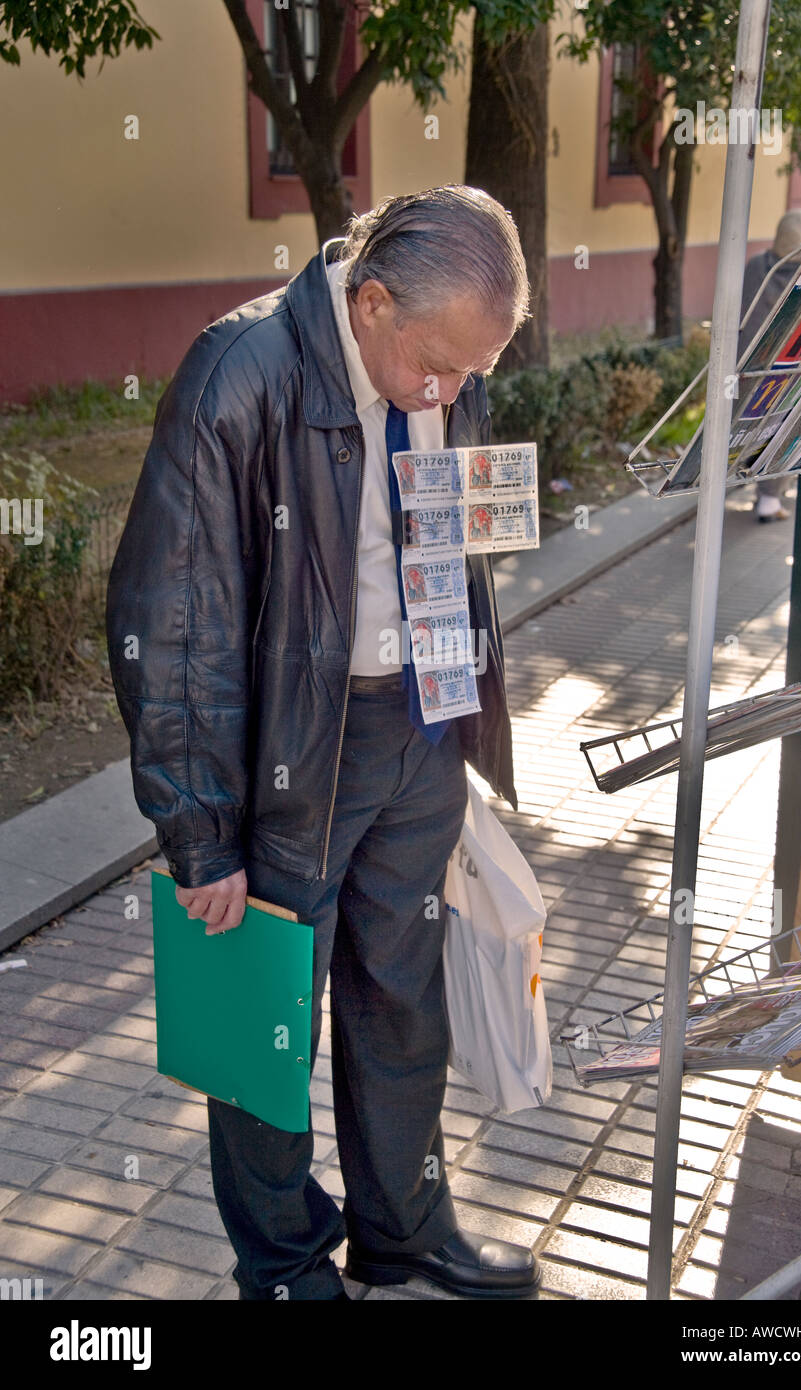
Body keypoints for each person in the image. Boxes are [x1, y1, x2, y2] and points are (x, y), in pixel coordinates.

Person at [105, 186, 541, 1301]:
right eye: (435, 366)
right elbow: (174, 614)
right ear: (372, 300)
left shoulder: (443, 353)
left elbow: (456, 530)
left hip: (418, 728)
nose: (449, 391)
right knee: (264, 1027)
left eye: (470, 371)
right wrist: (198, 832)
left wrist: (464, 709)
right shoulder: (237, 374)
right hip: (294, 750)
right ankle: (286, 1263)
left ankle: (404, 1227)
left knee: (404, 1001)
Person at [738, 206, 801, 522]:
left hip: (747, 366)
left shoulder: (757, 265)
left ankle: (745, 486)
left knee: (746, 430)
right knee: (784, 433)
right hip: (789, 371)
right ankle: (769, 499)